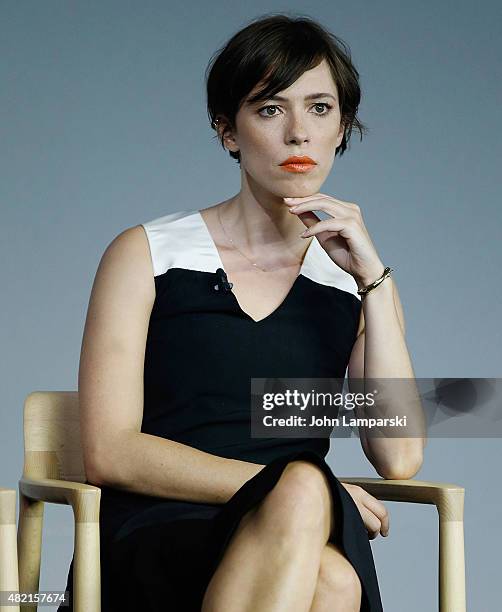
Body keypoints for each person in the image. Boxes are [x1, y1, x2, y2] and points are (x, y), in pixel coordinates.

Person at [60, 12, 424, 612]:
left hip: (301, 535)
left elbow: (400, 455)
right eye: (271, 109)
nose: (299, 134)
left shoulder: (357, 280)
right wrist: (303, 489)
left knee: (331, 575)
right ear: (229, 131)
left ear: (343, 129)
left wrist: (375, 283)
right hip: (157, 531)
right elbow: (110, 451)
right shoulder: (147, 253)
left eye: (320, 108)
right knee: (323, 554)